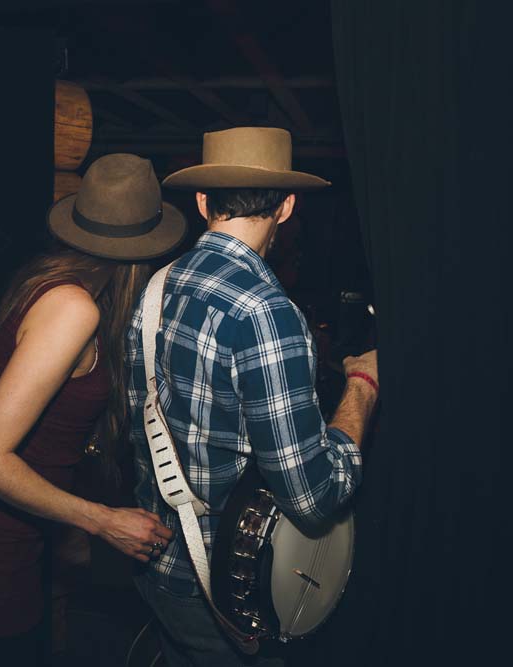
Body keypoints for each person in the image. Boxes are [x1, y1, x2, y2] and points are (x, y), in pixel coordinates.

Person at [126, 127, 380, 666]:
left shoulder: (155, 286)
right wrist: (362, 388)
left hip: (159, 563)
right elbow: (313, 498)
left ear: (201, 203)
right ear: (287, 207)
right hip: (222, 591)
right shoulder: (265, 312)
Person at [0, 153, 184, 667]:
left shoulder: (54, 281)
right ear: (143, 249)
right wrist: (102, 521)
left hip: (9, 534)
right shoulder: (73, 307)